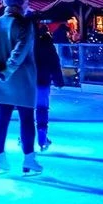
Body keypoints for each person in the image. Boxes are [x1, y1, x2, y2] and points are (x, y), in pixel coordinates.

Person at [0, 0, 41, 175]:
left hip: (0, 81)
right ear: (19, 4)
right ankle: (29, 159)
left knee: (2, 118)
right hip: (22, 80)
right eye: (26, 2)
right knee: (26, 119)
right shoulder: (25, 24)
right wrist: (7, 71)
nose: (28, 5)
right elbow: (21, 50)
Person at [33, 22, 66, 150]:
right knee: (41, 108)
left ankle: (24, 136)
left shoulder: (24, 42)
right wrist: (58, 80)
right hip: (42, 80)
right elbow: (54, 62)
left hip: (26, 82)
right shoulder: (47, 43)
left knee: (26, 110)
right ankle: (42, 135)